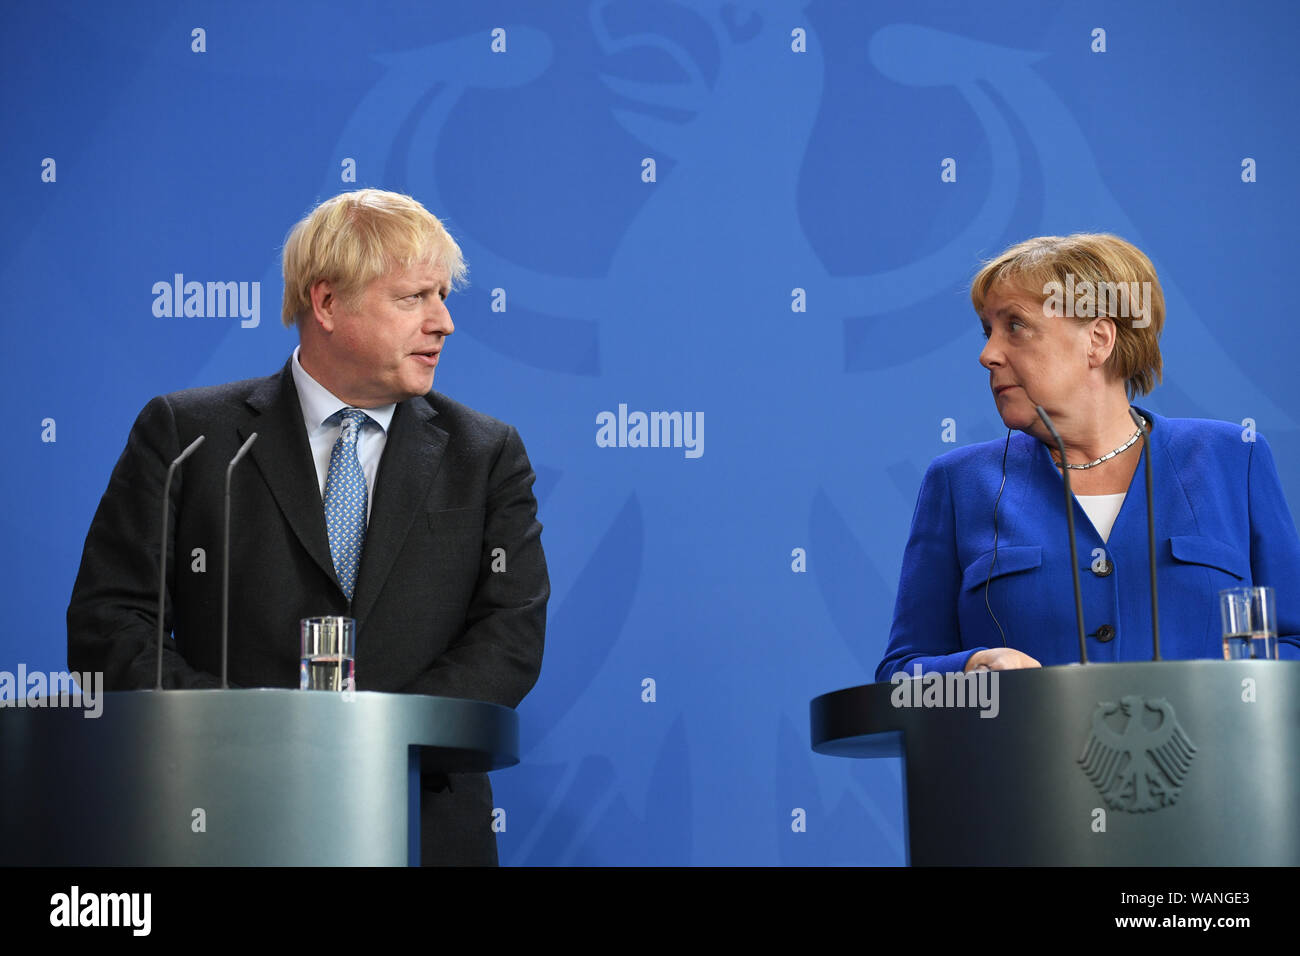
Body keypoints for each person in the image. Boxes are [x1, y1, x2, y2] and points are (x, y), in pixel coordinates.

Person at [67, 188, 549, 865]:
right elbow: (110, 627)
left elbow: (510, 637)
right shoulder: (187, 435)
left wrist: (376, 742)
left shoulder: (487, 453)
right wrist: (259, 736)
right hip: (223, 819)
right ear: (326, 304)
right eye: (413, 298)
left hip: (420, 826)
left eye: (443, 296)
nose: (443, 322)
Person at [876, 233, 1300, 679]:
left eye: (1015, 326)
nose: (987, 355)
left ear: (1097, 340)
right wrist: (972, 666)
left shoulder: (1233, 459)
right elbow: (901, 677)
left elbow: (1293, 643)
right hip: (1023, 751)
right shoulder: (958, 483)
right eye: (988, 332)